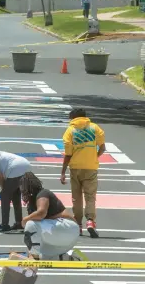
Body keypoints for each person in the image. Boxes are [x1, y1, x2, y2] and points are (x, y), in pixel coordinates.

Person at [60, 108, 105, 238]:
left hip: (75, 168)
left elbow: (68, 154)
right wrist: (95, 157)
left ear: (73, 118)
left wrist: (63, 172)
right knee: (90, 196)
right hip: (91, 168)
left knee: (76, 198)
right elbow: (102, 147)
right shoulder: (95, 128)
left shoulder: (70, 131)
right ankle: (90, 221)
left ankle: (78, 224)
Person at [20, 172, 80, 261]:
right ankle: (67, 257)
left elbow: (41, 213)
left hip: (67, 227)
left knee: (30, 224)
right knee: (44, 257)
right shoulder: (33, 202)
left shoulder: (43, 193)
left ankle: (34, 257)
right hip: (65, 233)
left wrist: (25, 219)